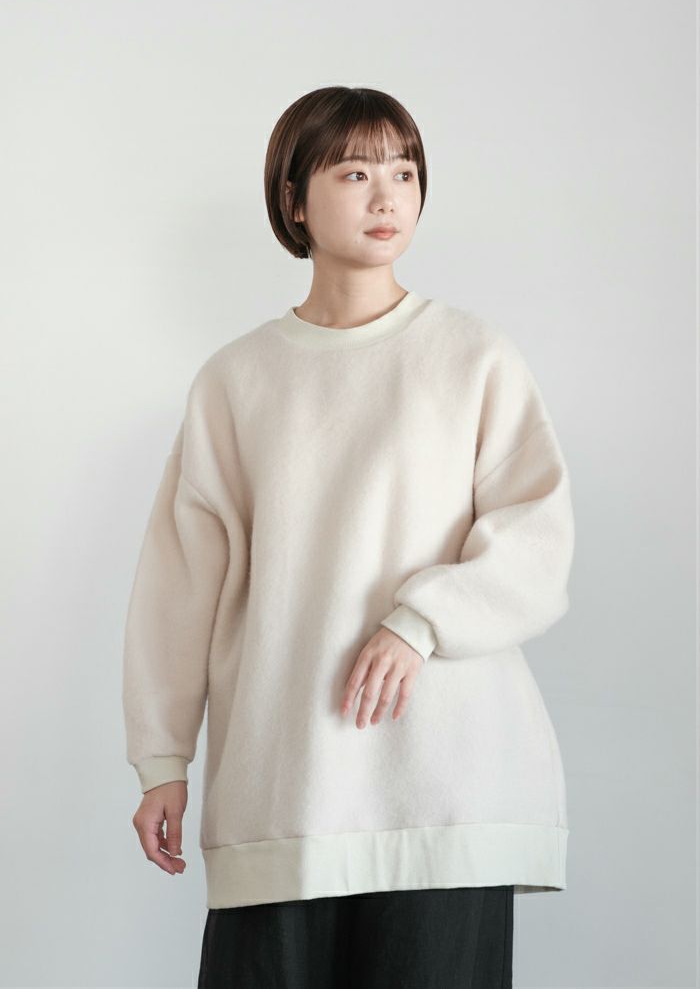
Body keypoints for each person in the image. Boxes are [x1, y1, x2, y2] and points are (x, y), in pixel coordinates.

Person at [122, 85, 575, 988]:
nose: (387, 196)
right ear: (294, 200)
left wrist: (421, 621)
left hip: (447, 788)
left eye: (404, 172)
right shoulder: (237, 379)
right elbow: (180, 583)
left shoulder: (472, 355)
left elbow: (539, 534)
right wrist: (162, 757)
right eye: (355, 173)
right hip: (284, 786)